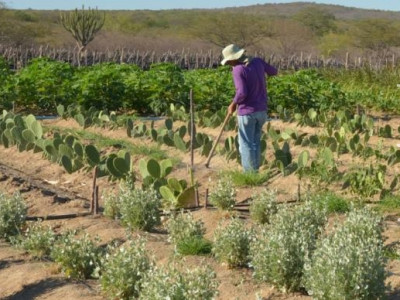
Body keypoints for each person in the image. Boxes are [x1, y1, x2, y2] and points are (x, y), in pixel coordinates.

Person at [221, 44, 278, 172]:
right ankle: (255, 170)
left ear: (234, 58)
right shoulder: (257, 61)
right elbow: (274, 71)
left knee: (246, 144)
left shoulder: (238, 69)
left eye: (229, 61)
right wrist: (259, 76)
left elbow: (242, 92)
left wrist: (233, 104)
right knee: (255, 142)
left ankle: (249, 173)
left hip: (247, 112)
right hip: (262, 111)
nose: (229, 64)